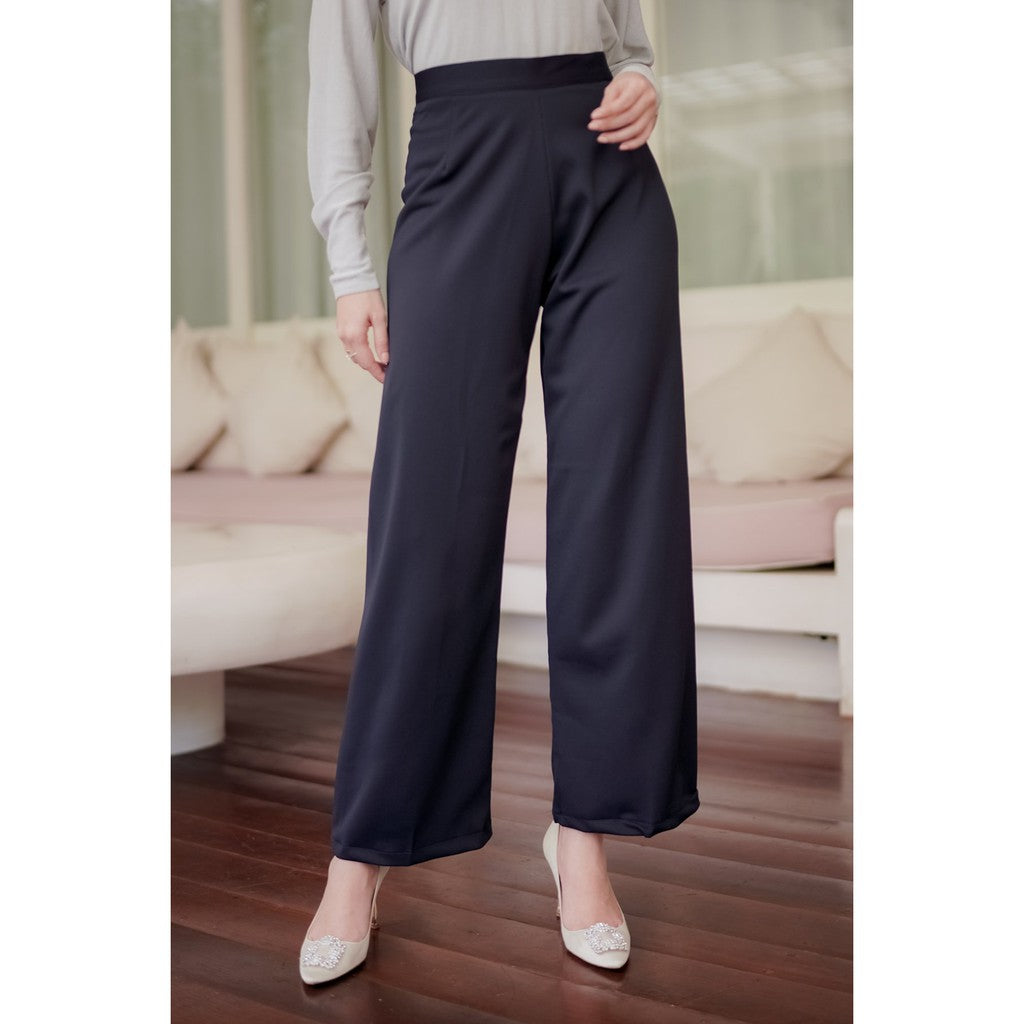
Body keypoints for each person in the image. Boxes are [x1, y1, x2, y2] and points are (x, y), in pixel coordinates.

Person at [300, 0, 700, 983]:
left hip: (609, 170)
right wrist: (351, 266)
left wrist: (643, 79)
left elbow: (628, 42)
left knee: (618, 512)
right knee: (428, 522)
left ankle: (585, 837)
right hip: (460, 155)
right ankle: (363, 849)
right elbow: (339, 84)